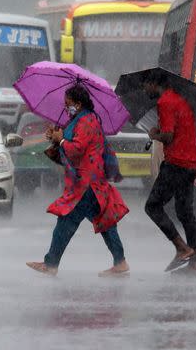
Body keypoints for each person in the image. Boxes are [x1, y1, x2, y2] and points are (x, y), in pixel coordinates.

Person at [26, 84, 130, 277]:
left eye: (69, 104)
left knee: (66, 221)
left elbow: (76, 149)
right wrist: (56, 138)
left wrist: (62, 140)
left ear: (79, 103)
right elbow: (70, 145)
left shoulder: (86, 122)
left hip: (86, 185)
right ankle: (120, 262)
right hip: (91, 182)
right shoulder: (81, 119)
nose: (66, 108)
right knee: (105, 223)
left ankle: (51, 264)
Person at [143, 72, 196, 276]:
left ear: (154, 82)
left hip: (176, 163)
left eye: (146, 85)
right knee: (185, 212)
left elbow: (168, 136)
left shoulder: (166, 102)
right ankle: (195, 264)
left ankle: (181, 248)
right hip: (190, 163)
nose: (145, 90)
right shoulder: (179, 100)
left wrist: (154, 134)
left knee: (152, 206)